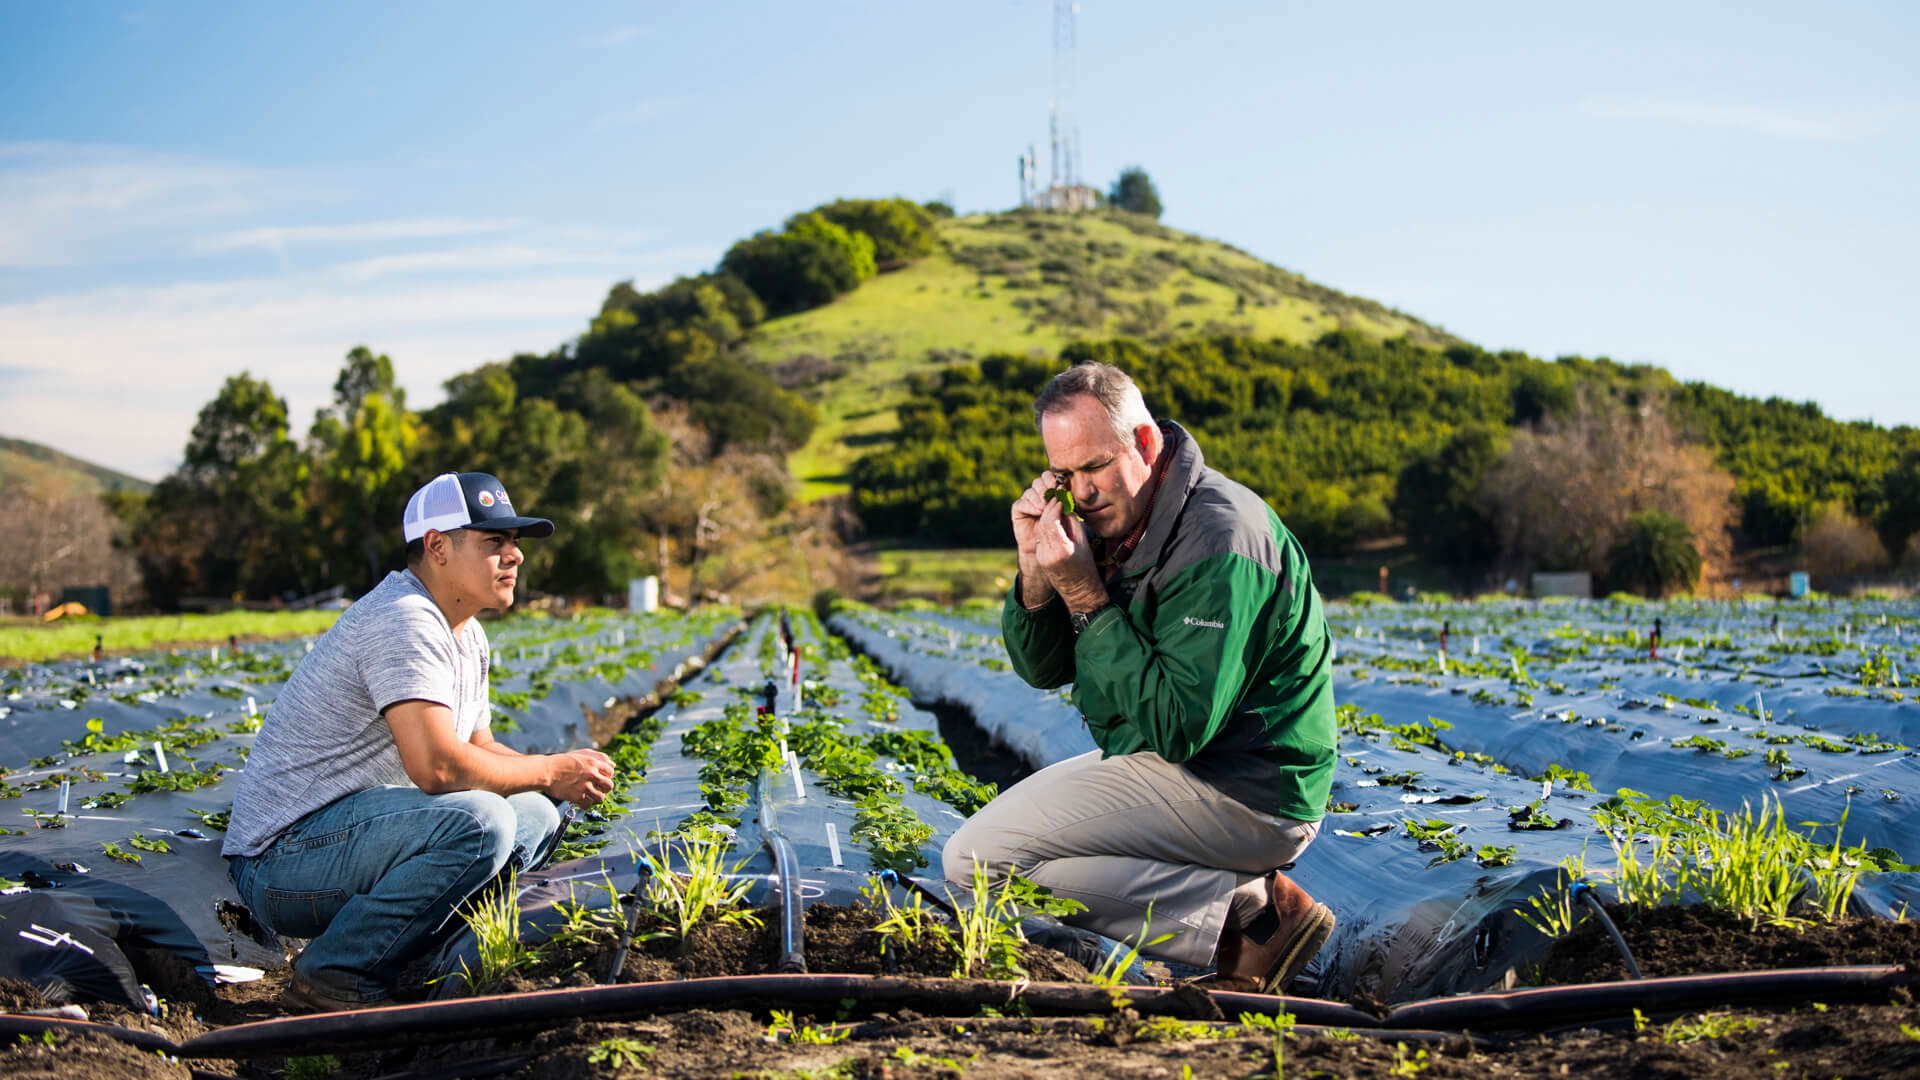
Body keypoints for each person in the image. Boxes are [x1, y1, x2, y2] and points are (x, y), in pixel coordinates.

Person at [942, 363, 1339, 993]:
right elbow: (1043, 668)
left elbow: (1179, 725)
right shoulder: (1119, 521)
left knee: (980, 861)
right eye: (1064, 476)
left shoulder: (1218, 538)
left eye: (1095, 467)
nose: (1083, 492)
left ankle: (1249, 919)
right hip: (1177, 763)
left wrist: (1086, 596)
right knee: (981, 849)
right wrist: (1035, 570)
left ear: (1146, 444)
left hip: (1249, 786)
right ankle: (1248, 912)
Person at [223, 472, 616, 1012]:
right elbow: (439, 769)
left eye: (515, 544)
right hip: (282, 859)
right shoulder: (403, 618)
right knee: (482, 822)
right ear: (437, 547)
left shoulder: (467, 633)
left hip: (356, 836)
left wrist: (559, 775)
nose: (515, 557)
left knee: (535, 815)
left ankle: (416, 955)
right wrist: (551, 771)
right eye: (494, 542)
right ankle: (333, 970)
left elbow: (480, 746)